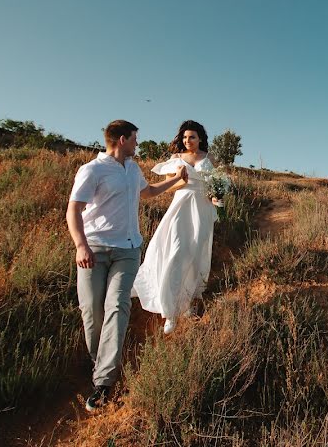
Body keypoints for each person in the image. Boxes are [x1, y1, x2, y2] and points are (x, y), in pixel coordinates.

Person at [66, 120, 187, 412]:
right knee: (92, 311)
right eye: (134, 139)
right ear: (122, 140)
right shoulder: (92, 170)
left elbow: (147, 193)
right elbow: (74, 210)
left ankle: (103, 382)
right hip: (94, 249)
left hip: (128, 250)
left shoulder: (132, 169)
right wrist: (81, 246)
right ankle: (100, 363)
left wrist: (178, 180)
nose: (137, 144)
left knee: (118, 306)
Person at [132, 120, 219, 335]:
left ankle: (187, 304)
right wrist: (182, 180)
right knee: (177, 251)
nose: (188, 141)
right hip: (182, 206)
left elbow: (215, 185)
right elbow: (171, 186)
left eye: (192, 137)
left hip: (204, 209)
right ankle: (169, 312)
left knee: (196, 254)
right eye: (185, 137)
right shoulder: (176, 159)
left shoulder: (210, 158)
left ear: (200, 139)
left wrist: (216, 196)